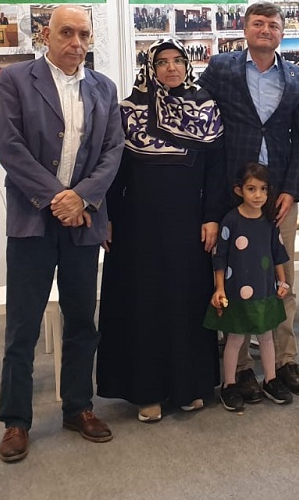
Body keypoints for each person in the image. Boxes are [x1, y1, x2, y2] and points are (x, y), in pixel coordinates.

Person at [0, 5, 124, 463]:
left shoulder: (104, 88)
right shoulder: (15, 80)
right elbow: (10, 148)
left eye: (84, 34)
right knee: (23, 326)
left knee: (82, 320)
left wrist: (81, 199)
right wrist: (58, 199)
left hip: (83, 223)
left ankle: (78, 407)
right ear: (45, 35)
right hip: (33, 221)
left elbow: (112, 152)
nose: (76, 42)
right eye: (67, 32)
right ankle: (16, 420)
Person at [97, 39, 225, 423]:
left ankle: (189, 386)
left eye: (178, 61)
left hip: (189, 224)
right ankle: (146, 392)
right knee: (145, 303)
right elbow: (113, 171)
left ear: (187, 65)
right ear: (150, 68)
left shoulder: (205, 107)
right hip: (138, 225)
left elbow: (216, 170)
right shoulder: (128, 110)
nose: (171, 68)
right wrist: (107, 217)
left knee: (187, 301)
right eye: (163, 62)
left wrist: (212, 216)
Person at [199, 2, 299, 400]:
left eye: (273, 24)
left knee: (280, 279)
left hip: (277, 196)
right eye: (258, 23)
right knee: (233, 277)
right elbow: (200, 115)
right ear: (245, 29)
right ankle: (241, 368)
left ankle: (284, 360)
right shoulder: (222, 68)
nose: (266, 29)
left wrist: (291, 190)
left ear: (282, 32)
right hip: (233, 192)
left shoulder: (298, 77)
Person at [204, 163, 292, 412]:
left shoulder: (269, 221)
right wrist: (219, 288)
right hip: (236, 292)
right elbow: (220, 257)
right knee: (235, 338)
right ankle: (229, 384)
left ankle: (271, 380)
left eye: (263, 189)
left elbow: (278, 254)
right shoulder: (231, 220)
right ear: (239, 190)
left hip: (264, 290)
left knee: (266, 337)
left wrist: (282, 280)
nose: (258, 195)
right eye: (251, 189)